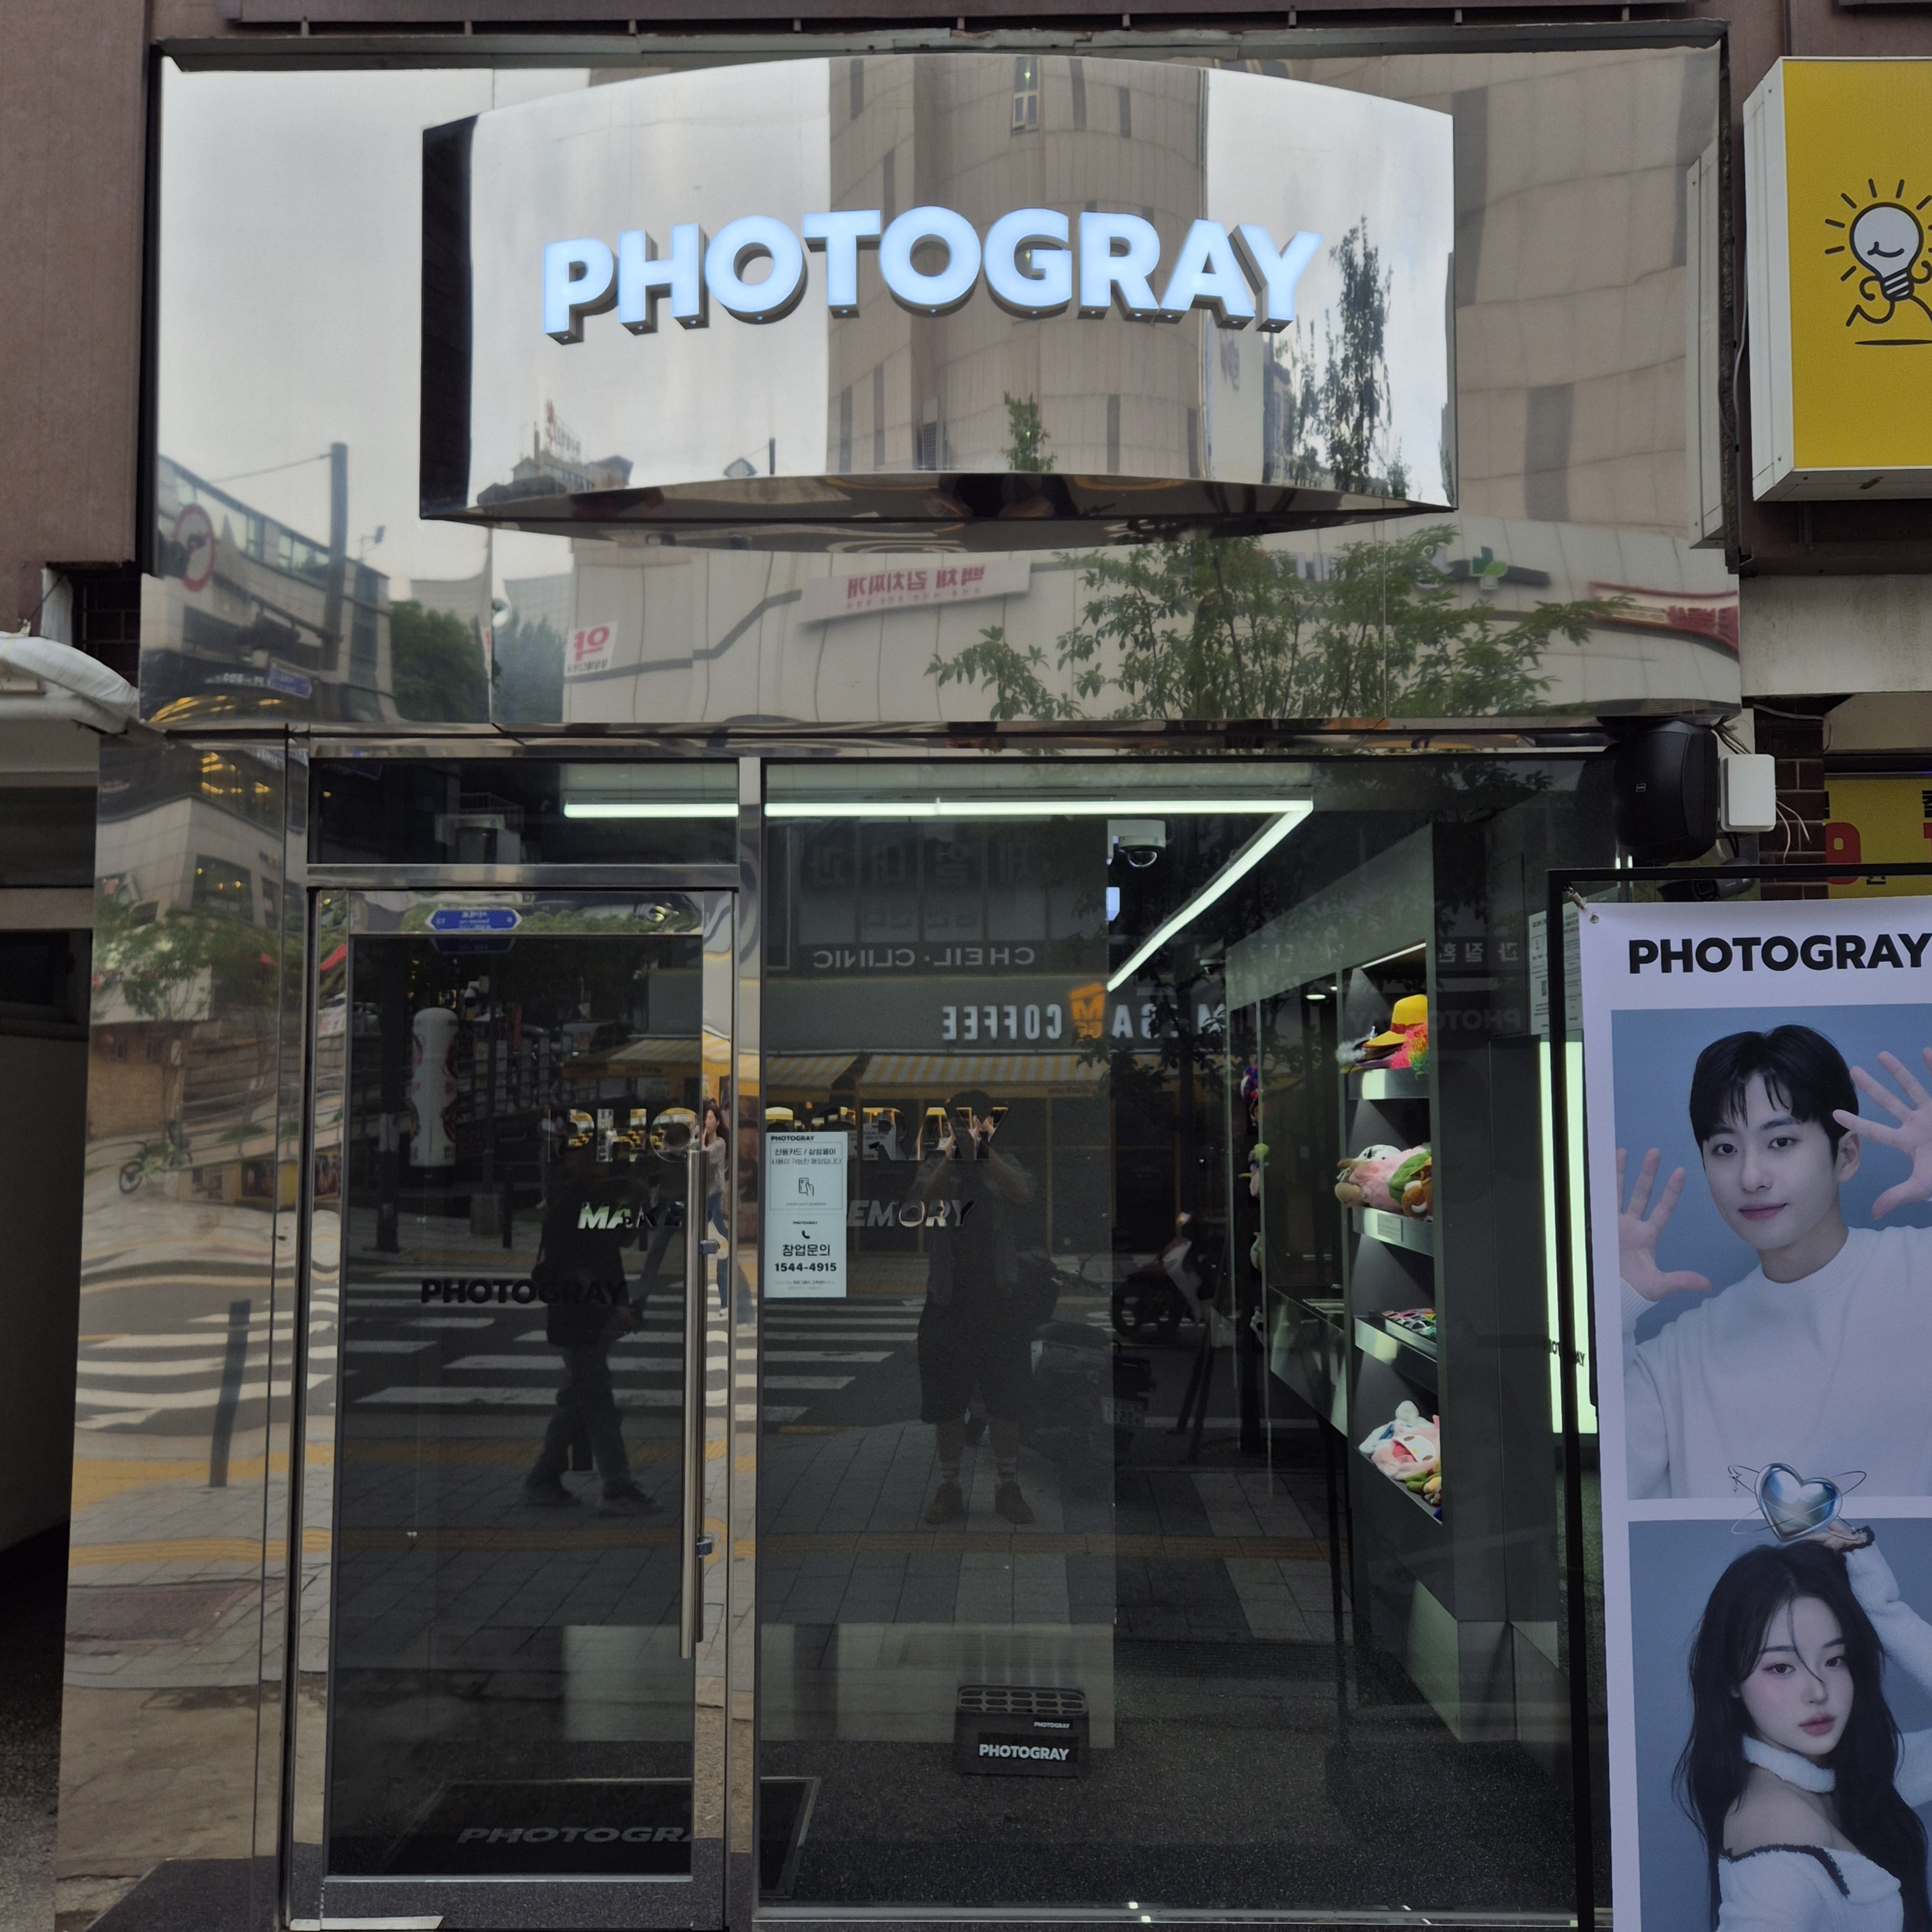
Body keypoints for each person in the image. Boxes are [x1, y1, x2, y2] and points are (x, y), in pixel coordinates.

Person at [1618, 1025, 1932, 1498]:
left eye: (1781, 1142)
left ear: (1846, 1155)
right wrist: (1617, 1307)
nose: (1751, 1177)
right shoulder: (1674, 1362)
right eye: (1725, 1149)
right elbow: (1616, 1503)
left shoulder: (1921, 1271)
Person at [1676, 1533, 1932, 1932]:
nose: (1817, 1691)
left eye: (1835, 1659)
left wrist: (1877, 1602)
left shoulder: (1850, 1775)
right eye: (1781, 1667)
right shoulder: (1778, 1825)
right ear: (1731, 1681)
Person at [910, 1088, 1038, 1527]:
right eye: (958, 1121)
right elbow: (923, 1200)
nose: (965, 1128)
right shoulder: (937, 1161)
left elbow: (1022, 1192)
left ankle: (1008, 1486)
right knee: (946, 1401)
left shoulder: (1004, 1160)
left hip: (1000, 1298)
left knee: (1006, 1399)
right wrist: (953, 1154)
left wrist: (982, 1151)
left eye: (975, 1121)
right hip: (948, 1300)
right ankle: (949, 1487)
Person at [523, 1135, 660, 1516]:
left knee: (576, 1404)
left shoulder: (596, 1199)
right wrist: (613, 1306)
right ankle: (617, 1487)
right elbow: (574, 1271)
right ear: (568, 1161)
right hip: (576, 1319)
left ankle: (542, 1480)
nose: (596, 1160)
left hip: (590, 1321)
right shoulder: (567, 1207)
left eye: (598, 1153)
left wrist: (637, 1199)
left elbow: (623, 1237)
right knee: (598, 1405)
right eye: (584, 1153)